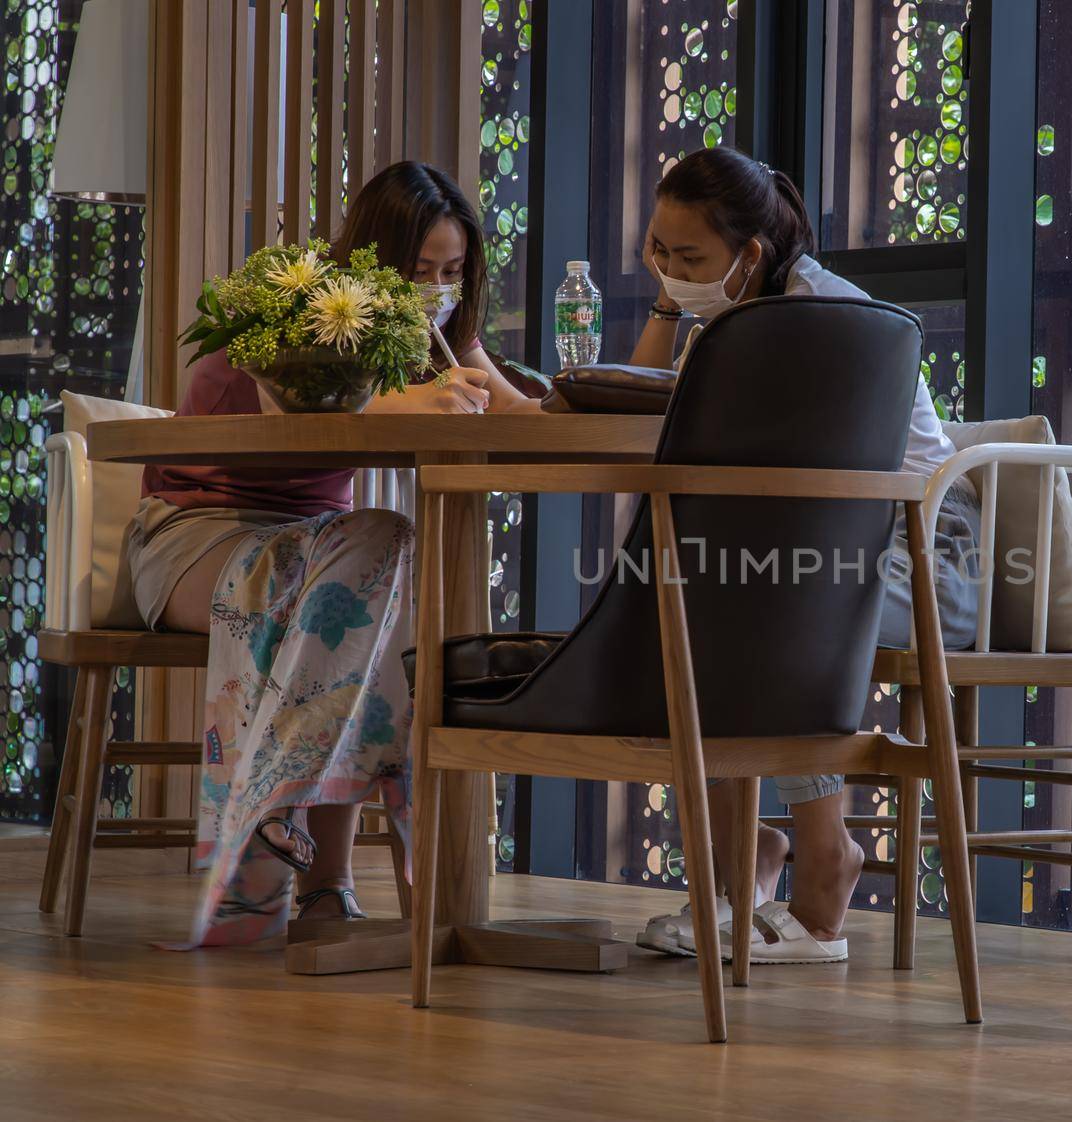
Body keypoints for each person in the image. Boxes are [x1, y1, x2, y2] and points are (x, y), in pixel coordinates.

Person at [127, 161, 536, 946]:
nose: (437, 289)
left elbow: (522, 415)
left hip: (325, 551)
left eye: (452, 272)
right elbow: (304, 417)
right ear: (374, 260)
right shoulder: (298, 305)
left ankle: (289, 830)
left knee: (378, 566)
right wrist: (406, 398)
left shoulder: (440, 336)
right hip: (198, 532)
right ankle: (326, 880)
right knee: (378, 558)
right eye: (420, 272)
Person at [630, 145, 981, 964]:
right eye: (658, 249)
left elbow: (834, 490)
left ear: (749, 254)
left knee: (761, 610)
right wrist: (670, 298)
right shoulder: (736, 314)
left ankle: (826, 871)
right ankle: (744, 870)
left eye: (690, 257)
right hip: (829, 552)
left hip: (926, 552)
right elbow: (631, 402)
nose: (672, 268)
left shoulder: (823, 314)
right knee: (698, 603)